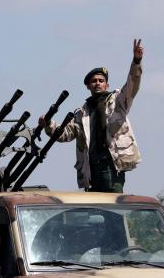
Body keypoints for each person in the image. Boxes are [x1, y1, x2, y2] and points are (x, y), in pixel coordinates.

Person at [39, 39, 144, 193]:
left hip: (112, 165)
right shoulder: (82, 112)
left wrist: (136, 61)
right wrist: (48, 124)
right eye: (93, 81)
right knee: (94, 208)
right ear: (88, 86)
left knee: (113, 206)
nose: (97, 83)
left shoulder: (118, 102)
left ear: (107, 85)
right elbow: (64, 134)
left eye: (101, 80)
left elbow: (132, 85)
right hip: (91, 167)